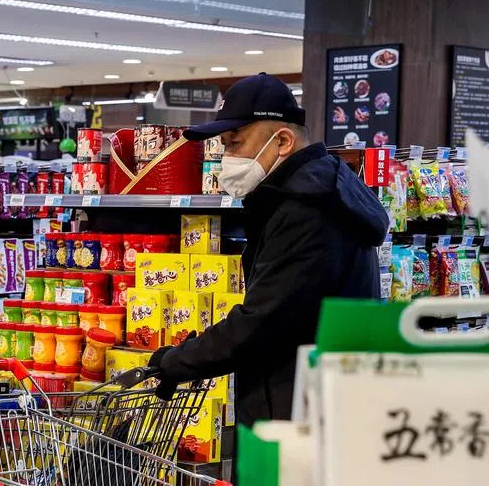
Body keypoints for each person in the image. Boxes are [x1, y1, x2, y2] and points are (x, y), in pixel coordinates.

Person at [150, 73, 388, 427]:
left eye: (235, 144)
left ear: (282, 141)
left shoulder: (308, 209)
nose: (226, 159)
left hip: (297, 414)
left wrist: (175, 362)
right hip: (316, 399)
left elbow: (263, 321)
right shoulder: (319, 190)